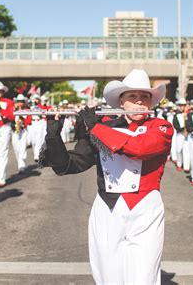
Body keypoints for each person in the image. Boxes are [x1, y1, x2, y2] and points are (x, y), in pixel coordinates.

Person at [40, 69, 173, 284]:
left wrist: (94, 127)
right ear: (121, 102)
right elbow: (69, 165)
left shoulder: (160, 127)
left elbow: (140, 148)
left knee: (144, 276)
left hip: (146, 208)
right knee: (108, 276)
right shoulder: (104, 128)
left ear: (151, 103)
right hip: (107, 209)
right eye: (133, 96)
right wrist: (54, 136)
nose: (139, 102)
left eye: (145, 97)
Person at [11, 94, 32, 174]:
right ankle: (20, 163)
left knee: (22, 148)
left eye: (21, 102)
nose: (19, 103)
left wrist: (22, 117)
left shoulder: (27, 110)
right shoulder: (13, 110)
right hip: (15, 132)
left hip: (23, 131)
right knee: (16, 149)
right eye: (18, 102)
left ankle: (21, 166)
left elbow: (29, 121)